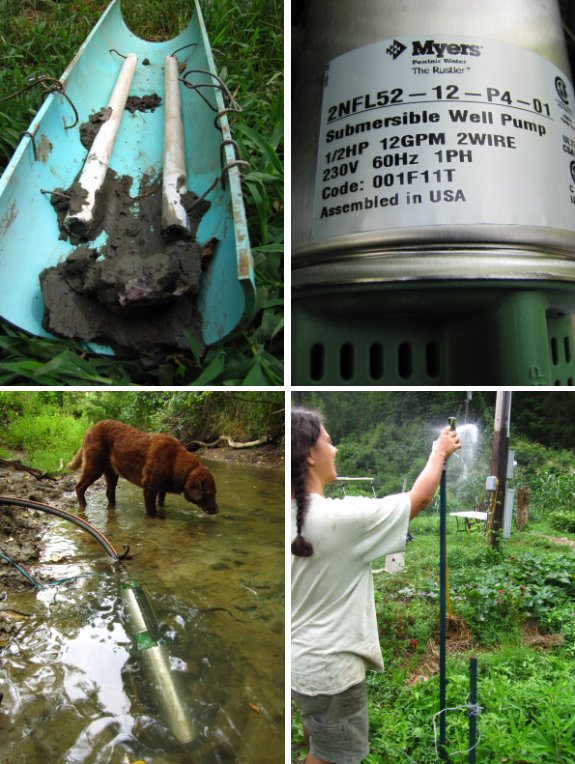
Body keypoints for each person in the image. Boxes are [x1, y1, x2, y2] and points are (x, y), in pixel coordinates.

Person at [291, 407, 460, 764]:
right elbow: (419, 499)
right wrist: (439, 453)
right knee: (334, 758)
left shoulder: (287, 512)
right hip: (333, 674)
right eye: (328, 441)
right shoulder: (341, 519)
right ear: (309, 454)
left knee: (316, 738)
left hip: (301, 665)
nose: (334, 450)